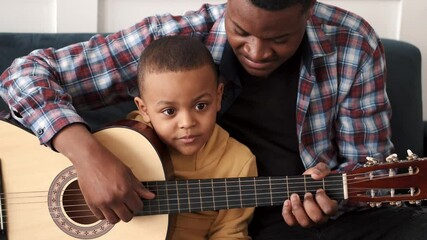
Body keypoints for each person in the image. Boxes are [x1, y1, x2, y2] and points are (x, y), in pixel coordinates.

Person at [1, 0, 426, 239]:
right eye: (242, 31)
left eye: (279, 38)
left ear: (308, 9)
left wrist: (332, 199)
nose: (258, 52)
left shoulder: (352, 43)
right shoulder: (172, 41)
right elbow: (24, 75)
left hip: (286, 219)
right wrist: (89, 158)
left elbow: (370, 166)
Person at [129, 35, 257, 239]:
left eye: (200, 106)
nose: (187, 123)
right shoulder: (125, 141)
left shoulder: (237, 162)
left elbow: (229, 233)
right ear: (144, 109)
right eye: (169, 111)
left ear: (218, 97)